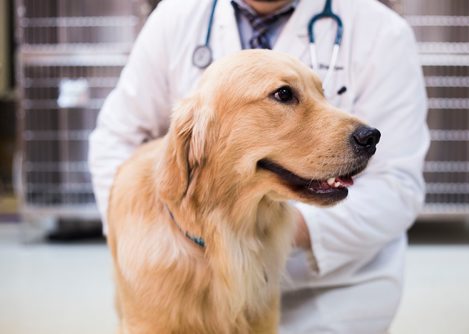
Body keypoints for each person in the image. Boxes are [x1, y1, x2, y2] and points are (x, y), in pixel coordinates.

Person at [88, 0, 429, 333]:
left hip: (331, 295)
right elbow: (115, 138)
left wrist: (259, 233)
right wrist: (138, 237)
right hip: (172, 269)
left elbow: (397, 185)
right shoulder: (176, 16)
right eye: (284, 95)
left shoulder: (382, 31)